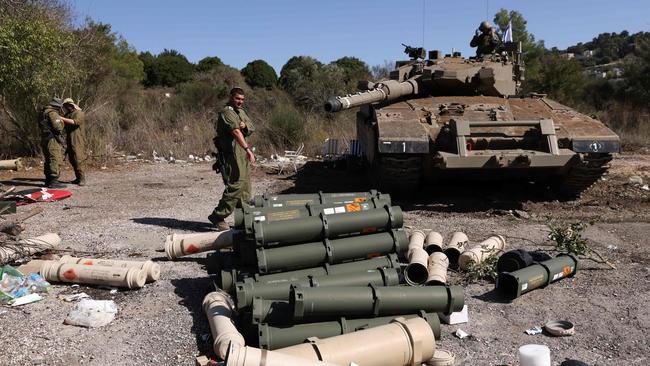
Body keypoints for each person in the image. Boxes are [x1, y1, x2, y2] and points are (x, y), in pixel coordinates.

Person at [208, 87, 256, 231]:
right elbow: (235, 131)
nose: (240, 102)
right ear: (231, 97)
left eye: (242, 99)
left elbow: (252, 127)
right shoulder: (226, 112)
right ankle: (218, 215)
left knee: (246, 187)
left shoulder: (241, 112)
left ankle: (244, 219)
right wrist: (248, 149)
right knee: (237, 184)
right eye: (237, 99)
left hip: (241, 154)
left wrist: (245, 125)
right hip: (232, 154)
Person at [39, 97, 66, 188]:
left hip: (45, 138)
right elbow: (58, 127)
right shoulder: (53, 113)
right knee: (55, 158)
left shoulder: (43, 112)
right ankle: (54, 181)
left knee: (48, 159)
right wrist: (62, 123)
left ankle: (48, 180)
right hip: (52, 139)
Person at [60, 98, 87, 186]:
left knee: (78, 158)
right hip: (69, 139)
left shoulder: (79, 113)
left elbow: (75, 122)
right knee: (72, 159)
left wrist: (61, 118)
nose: (65, 107)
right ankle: (78, 178)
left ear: (70, 105)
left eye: (66, 105)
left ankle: (82, 178)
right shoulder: (67, 114)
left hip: (78, 139)